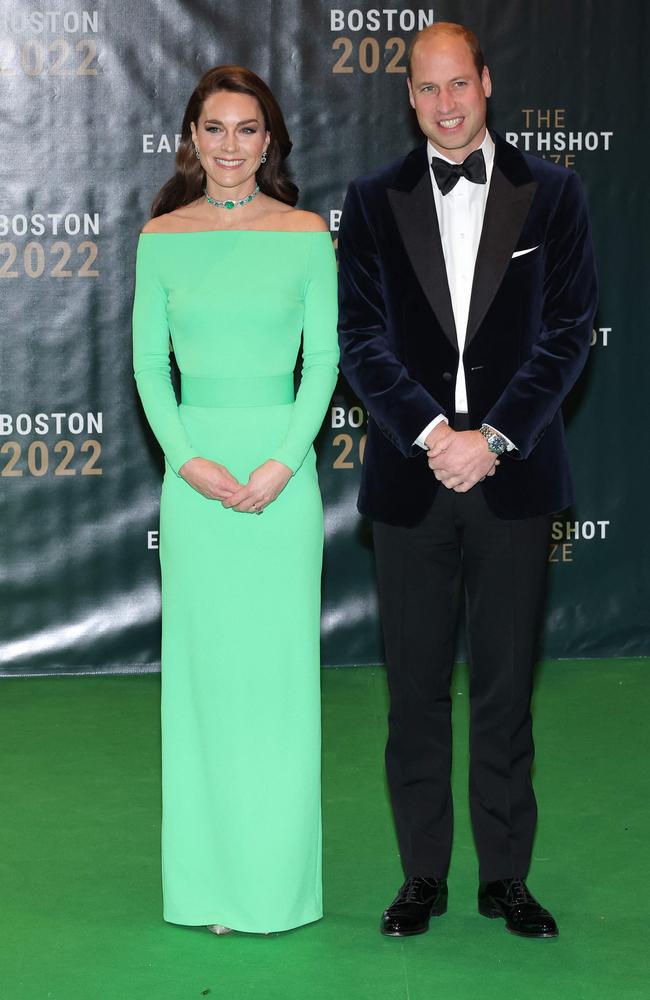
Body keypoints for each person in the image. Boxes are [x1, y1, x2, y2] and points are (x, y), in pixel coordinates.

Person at [338, 23, 597, 939]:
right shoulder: (373, 201)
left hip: (512, 476)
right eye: (428, 89)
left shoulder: (554, 194)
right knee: (411, 692)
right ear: (408, 97)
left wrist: (489, 437)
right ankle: (422, 877)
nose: (446, 105)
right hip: (412, 483)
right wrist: (429, 434)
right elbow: (360, 340)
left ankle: (506, 878)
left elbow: (569, 332)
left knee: (502, 687)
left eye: (461, 84)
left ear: (486, 83)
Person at [132, 65, 338, 935]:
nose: (230, 146)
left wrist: (284, 464)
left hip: (281, 487)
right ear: (191, 138)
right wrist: (187, 462)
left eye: (247, 129)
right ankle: (211, 885)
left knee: (278, 684)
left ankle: (275, 886)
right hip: (197, 488)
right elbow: (150, 366)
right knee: (206, 685)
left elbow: (322, 363)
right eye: (213, 128)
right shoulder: (159, 237)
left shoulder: (305, 234)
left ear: (270, 140)